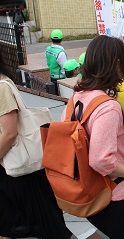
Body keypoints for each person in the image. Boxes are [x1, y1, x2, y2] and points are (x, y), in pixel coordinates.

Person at [63, 35, 124, 239]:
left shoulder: (77, 97)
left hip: (88, 190)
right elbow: (100, 159)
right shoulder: (108, 107)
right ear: (117, 64)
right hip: (115, 195)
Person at [0, 53, 76, 239]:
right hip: (18, 169)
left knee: (45, 224)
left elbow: (10, 133)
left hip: (21, 170)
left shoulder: (1, 87)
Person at [45, 29, 68, 95]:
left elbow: (47, 62)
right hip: (60, 79)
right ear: (62, 39)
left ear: (51, 38)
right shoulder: (61, 53)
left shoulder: (48, 49)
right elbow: (64, 68)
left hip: (51, 77)